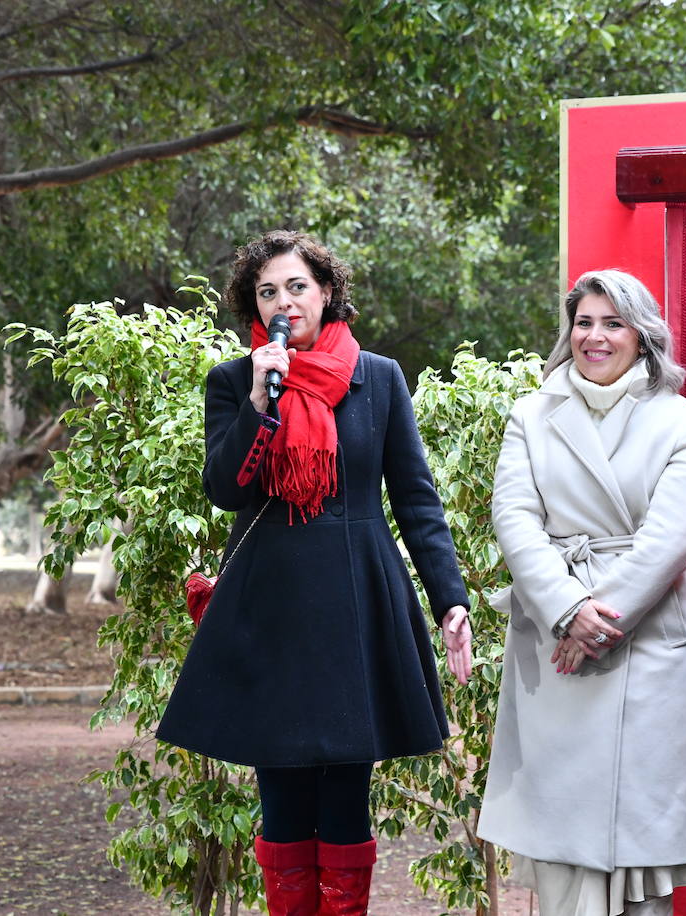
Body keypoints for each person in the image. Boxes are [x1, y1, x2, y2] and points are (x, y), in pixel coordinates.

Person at [155, 229, 472, 916]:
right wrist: (260, 407)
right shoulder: (234, 381)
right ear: (254, 305)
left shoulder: (377, 377)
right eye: (268, 291)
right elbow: (226, 488)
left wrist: (451, 600)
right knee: (285, 800)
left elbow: (415, 498)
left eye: (297, 286)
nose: (284, 301)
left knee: (345, 801)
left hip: (356, 599)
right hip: (271, 607)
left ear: (326, 292)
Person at [477, 269, 686, 915]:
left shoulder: (682, 421)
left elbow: (671, 537)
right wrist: (566, 611)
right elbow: (514, 518)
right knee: (559, 837)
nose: (596, 336)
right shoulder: (532, 413)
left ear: (642, 335)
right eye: (584, 322)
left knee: (639, 842)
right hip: (554, 640)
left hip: (646, 644)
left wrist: (597, 621)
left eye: (613, 322)